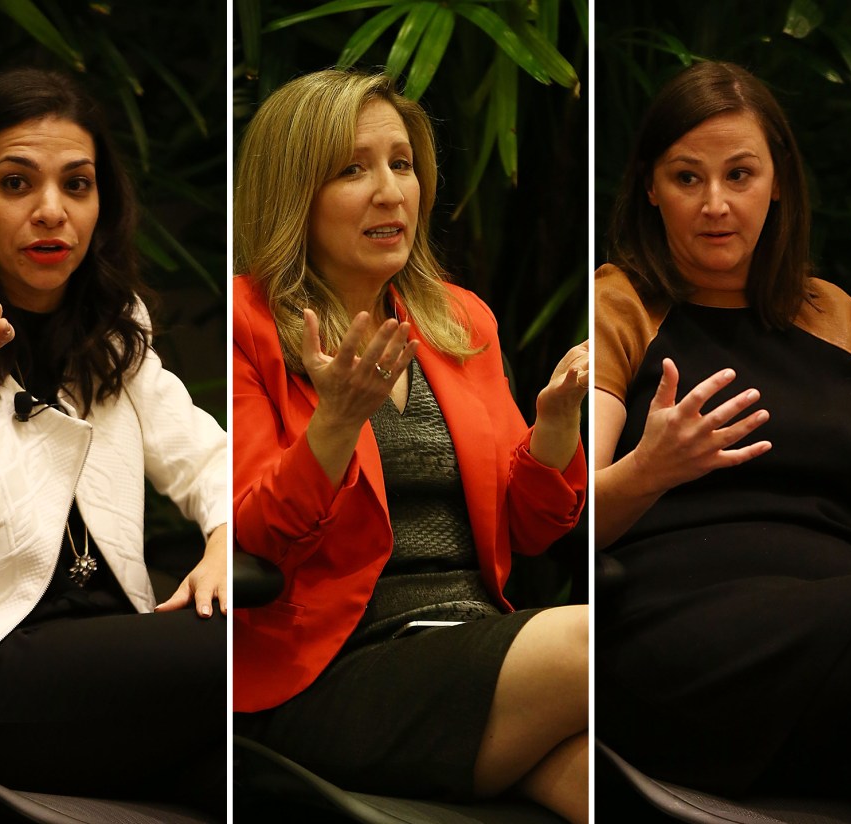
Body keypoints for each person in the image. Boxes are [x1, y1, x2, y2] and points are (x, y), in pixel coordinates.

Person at [594, 61, 851, 822]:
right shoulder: (620, 303)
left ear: (778, 181)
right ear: (650, 189)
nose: (715, 204)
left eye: (740, 174)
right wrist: (650, 470)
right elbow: (564, 516)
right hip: (686, 653)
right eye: (687, 178)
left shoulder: (839, 317)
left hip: (842, 665)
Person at [231, 70, 589, 822]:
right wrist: (335, 423)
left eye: (402, 164)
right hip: (332, 671)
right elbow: (254, 540)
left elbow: (531, 530)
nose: (391, 191)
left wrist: (555, 431)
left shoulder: (459, 321)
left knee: (600, 782)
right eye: (353, 169)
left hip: (476, 644)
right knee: (604, 643)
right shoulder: (251, 324)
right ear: (295, 192)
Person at [0, 68, 227, 812]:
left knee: (257, 776)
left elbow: (210, 457)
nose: (51, 212)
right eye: (16, 184)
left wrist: (226, 537)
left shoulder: (113, 334)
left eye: (77, 184)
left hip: (105, 668)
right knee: (251, 649)